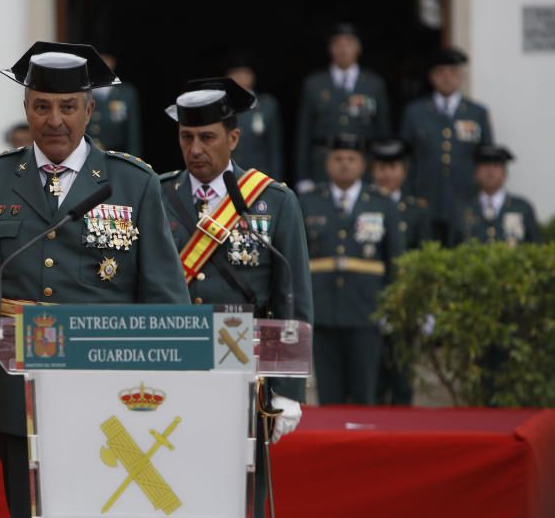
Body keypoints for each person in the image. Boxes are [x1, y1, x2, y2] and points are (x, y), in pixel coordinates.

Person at [0, 42, 189, 518]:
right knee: (27, 506)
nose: (54, 120)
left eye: (67, 107)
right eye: (42, 106)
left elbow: (165, 295)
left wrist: (169, 385)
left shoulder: (132, 182)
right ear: (26, 109)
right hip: (13, 383)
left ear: (89, 110)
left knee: (101, 505)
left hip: (104, 378)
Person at [158, 78, 312, 518]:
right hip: (173, 364)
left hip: (243, 370)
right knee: (170, 488)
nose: (195, 150)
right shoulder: (158, 195)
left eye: (207, 137)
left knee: (239, 496)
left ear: (234, 138)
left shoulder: (273, 202)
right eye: (187, 137)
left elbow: (291, 297)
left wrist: (288, 388)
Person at [299, 134, 403, 405]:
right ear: (327, 163)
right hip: (323, 311)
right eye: (338, 158)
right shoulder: (308, 201)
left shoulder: (382, 203)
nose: (344, 164)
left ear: (362, 164)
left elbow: (395, 259)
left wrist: (391, 306)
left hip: (366, 311)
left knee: (365, 394)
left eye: (351, 159)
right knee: (329, 397)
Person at [400, 47, 492, 242]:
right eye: (441, 73)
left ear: (461, 77)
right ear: (432, 77)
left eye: (452, 72)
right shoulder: (415, 112)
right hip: (425, 196)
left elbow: (486, 157)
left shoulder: (476, 113)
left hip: (465, 197)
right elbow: (405, 158)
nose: (447, 78)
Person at [369, 138, 431, 405]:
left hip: (405, 303)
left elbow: (425, 259)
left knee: (402, 377)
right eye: (381, 168)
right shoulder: (365, 204)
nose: (387, 174)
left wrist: (427, 307)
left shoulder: (416, 210)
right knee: (374, 379)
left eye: (393, 167)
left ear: (403, 172)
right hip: (369, 301)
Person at [295, 24, 390, 192]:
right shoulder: (314, 84)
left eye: (349, 43)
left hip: (364, 166)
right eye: (337, 44)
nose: (343, 49)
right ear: (330, 49)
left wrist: (381, 173)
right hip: (323, 166)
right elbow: (304, 134)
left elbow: (382, 133)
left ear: (358, 48)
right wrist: (303, 177)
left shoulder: (373, 84)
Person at [449, 145, 540, 246]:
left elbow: (535, 246)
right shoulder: (462, 207)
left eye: (496, 165)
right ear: (475, 173)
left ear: (505, 174)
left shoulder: (522, 208)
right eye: (485, 165)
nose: (490, 170)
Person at [223, 52, 284, 177]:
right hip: (227, 178)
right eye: (235, 74)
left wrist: (276, 183)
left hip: (258, 179)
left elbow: (275, 149)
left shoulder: (267, 105)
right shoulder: (219, 105)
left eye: (244, 73)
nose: (240, 79)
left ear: (252, 76)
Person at [88, 50, 143, 155]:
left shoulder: (126, 93)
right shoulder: (82, 91)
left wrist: (133, 162)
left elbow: (132, 133)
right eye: (98, 60)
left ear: (113, 62)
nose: (102, 64)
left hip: (114, 157)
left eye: (106, 59)